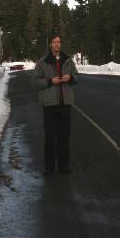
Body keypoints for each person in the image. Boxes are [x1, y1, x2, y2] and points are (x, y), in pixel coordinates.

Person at [32, 34, 79, 175]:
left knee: (64, 136)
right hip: (49, 105)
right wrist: (49, 81)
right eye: (54, 42)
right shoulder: (43, 62)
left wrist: (70, 77)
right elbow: (34, 82)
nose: (57, 44)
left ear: (61, 44)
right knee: (50, 137)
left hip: (65, 104)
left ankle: (64, 166)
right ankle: (49, 167)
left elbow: (77, 77)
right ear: (51, 44)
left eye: (59, 42)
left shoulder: (68, 60)